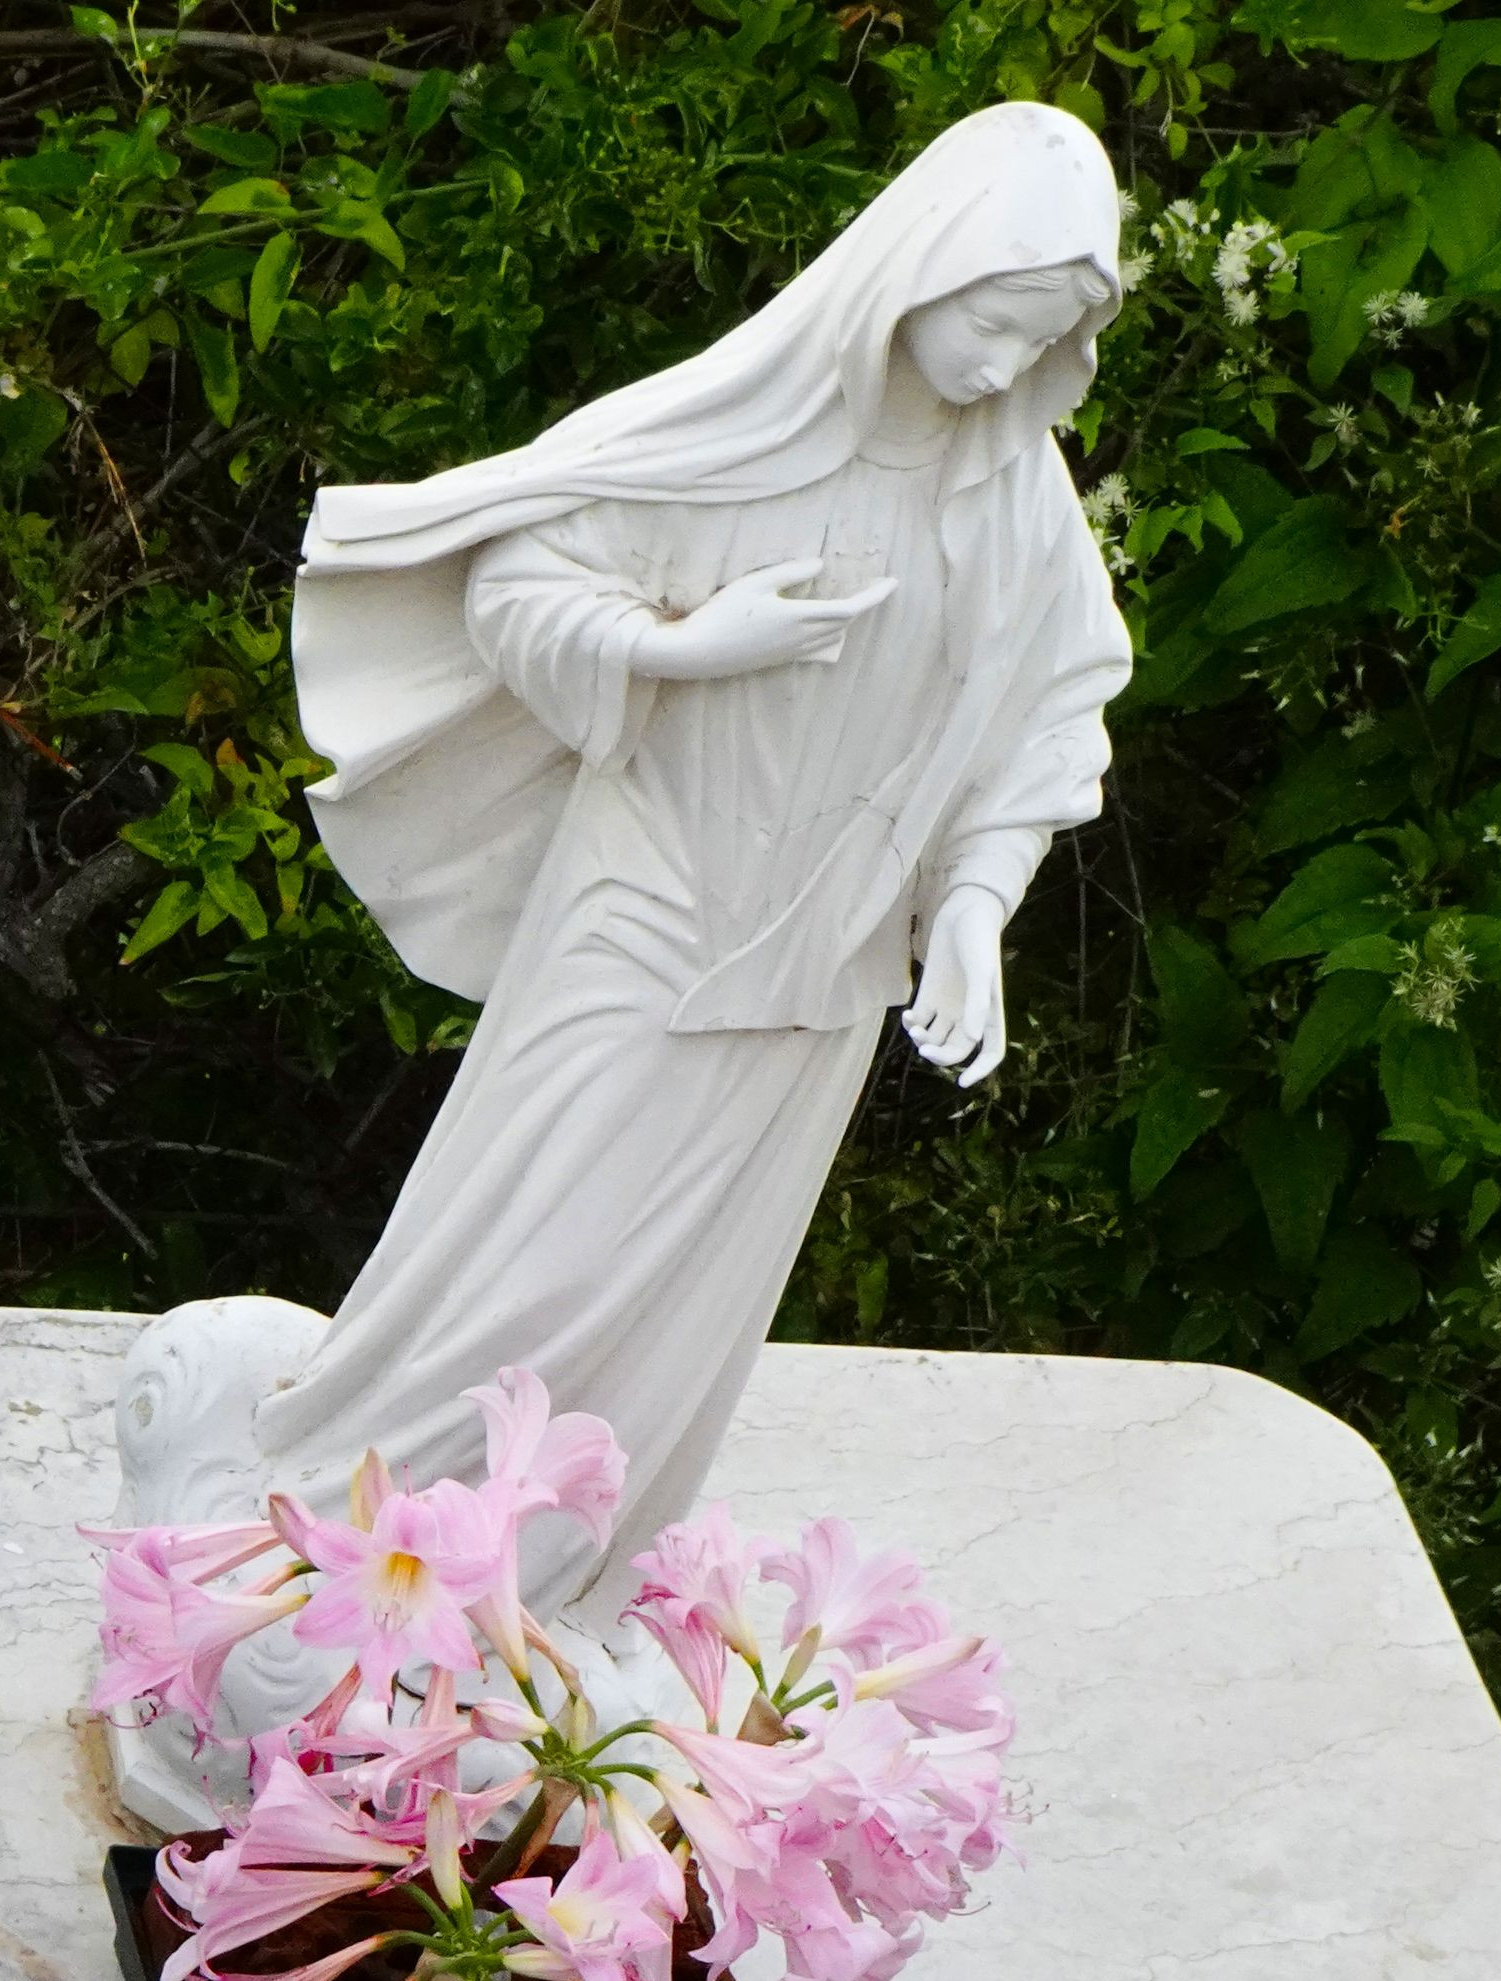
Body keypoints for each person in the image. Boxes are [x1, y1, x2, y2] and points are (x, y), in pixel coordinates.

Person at [243, 103, 1138, 1606]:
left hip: (822, 971)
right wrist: (680, 644)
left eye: (1037, 337)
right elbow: (517, 585)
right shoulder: (739, 431)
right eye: (991, 319)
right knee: (524, 1254)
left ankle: (549, 1609)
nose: (1001, 366)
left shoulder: (1014, 504)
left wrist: (973, 908)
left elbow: (1046, 715)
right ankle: (323, 1548)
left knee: (683, 1312)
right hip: (646, 908)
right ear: (918, 269)